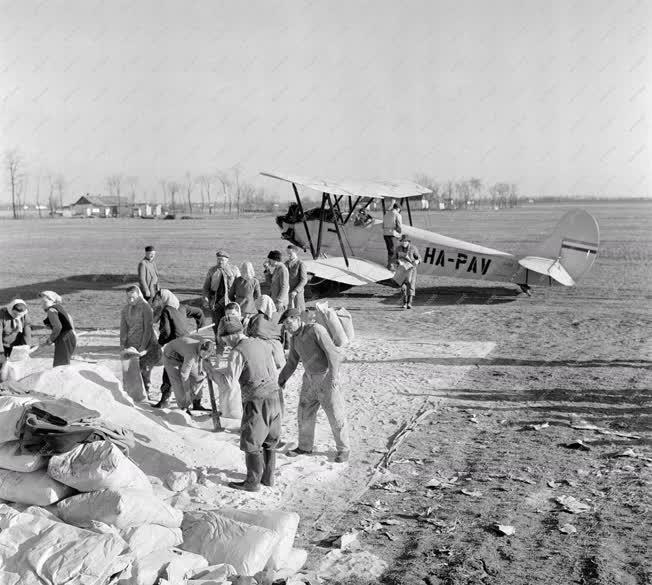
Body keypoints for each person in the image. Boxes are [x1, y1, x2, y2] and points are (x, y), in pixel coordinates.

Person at [204, 317, 281, 492]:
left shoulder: (237, 352)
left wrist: (211, 370)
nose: (223, 342)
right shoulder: (261, 343)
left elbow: (228, 384)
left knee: (251, 441)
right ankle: (268, 478)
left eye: (223, 338)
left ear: (229, 335)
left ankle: (252, 482)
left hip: (257, 399)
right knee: (270, 440)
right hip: (275, 396)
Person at [277, 308, 350, 463]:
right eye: (285, 325)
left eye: (289, 323)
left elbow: (333, 354)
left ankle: (343, 449)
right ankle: (304, 446)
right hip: (308, 379)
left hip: (325, 377)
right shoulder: (294, 338)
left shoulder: (316, 330)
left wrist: (333, 376)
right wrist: (282, 379)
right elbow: (292, 362)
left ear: (297, 319)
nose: (287, 327)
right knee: (304, 413)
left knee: (335, 414)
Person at [152, 289, 206, 409]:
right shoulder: (182, 307)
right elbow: (199, 312)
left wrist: (160, 343)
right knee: (194, 373)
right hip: (188, 343)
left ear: (164, 299)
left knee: (169, 372)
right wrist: (200, 325)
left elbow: (166, 331)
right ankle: (197, 403)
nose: (158, 302)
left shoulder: (166, 310)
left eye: (158, 299)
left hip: (174, 346)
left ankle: (165, 400)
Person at [120, 285, 161, 399]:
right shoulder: (125, 309)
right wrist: (122, 343)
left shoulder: (145, 308)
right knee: (130, 368)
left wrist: (143, 347)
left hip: (147, 344)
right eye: (128, 298)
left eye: (133, 297)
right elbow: (123, 328)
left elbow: (148, 329)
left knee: (145, 368)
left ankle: (146, 391)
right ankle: (132, 391)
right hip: (132, 343)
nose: (131, 300)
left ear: (138, 295)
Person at [163, 336, 213, 414]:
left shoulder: (205, 348)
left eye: (207, 354)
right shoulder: (191, 354)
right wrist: (187, 393)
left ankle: (196, 403)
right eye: (203, 353)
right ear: (200, 348)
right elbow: (184, 375)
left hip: (183, 355)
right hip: (171, 356)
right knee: (178, 382)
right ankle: (183, 407)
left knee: (199, 377)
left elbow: (206, 361)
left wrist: (209, 370)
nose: (204, 356)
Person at [202, 250, 239, 344]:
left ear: (227, 260)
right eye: (218, 259)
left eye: (222, 260)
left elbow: (240, 284)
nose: (220, 261)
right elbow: (206, 286)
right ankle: (219, 344)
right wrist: (206, 299)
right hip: (215, 302)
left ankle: (231, 344)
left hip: (230, 302)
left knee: (230, 323)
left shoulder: (234, 269)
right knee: (217, 324)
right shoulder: (212, 270)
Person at [39, 291, 76, 367]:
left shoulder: (51, 310)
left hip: (64, 338)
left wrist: (50, 339)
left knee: (60, 365)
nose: (42, 303)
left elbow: (58, 327)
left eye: (44, 301)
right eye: (41, 301)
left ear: (51, 300)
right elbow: (69, 319)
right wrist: (73, 333)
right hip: (69, 336)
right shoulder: (59, 308)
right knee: (63, 363)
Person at [392, 234, 421, 310]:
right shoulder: (398, 248)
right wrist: (397, 261)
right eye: (402, 241)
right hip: (401, 269)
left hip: (411, 269)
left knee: (411, 286)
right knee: (402, 286)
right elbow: (394, 258)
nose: (403, 242)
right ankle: (404, 303)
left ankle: (409, 303)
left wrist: (417, 261)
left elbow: (419, 258)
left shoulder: (413, 248)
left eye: (405, 241)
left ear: (408, 242)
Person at [1, 299, 33, 365]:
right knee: (2, 365)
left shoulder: (25, 315)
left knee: (17, 365)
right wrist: (1, 352)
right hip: (3, 345)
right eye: (15, 314)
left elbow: (27, 333)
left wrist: (26, 348)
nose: (17, 316)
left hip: (17, 346)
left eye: (20, 315)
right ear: (10, 309)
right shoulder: (1, 316)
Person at [285, 245, 308, 312]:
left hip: (297, 294)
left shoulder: (301, 264)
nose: (288, 255)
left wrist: (295, 291)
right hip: (287, 293)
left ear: (295, 252)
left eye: (290, 253)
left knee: (299, 313)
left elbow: (304, 280)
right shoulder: (286, 263)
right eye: (287, 253)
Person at [382, 202, 403, 270]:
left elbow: (383, 225)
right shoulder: (397, 215)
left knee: (389, 250)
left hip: (385, 234)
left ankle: (389, 264)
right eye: (399, 209)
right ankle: (391, 265)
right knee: (394, 250)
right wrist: (400, 234)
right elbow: (399, 227)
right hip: (392, 234)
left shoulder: (386, 214)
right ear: (398, 208)